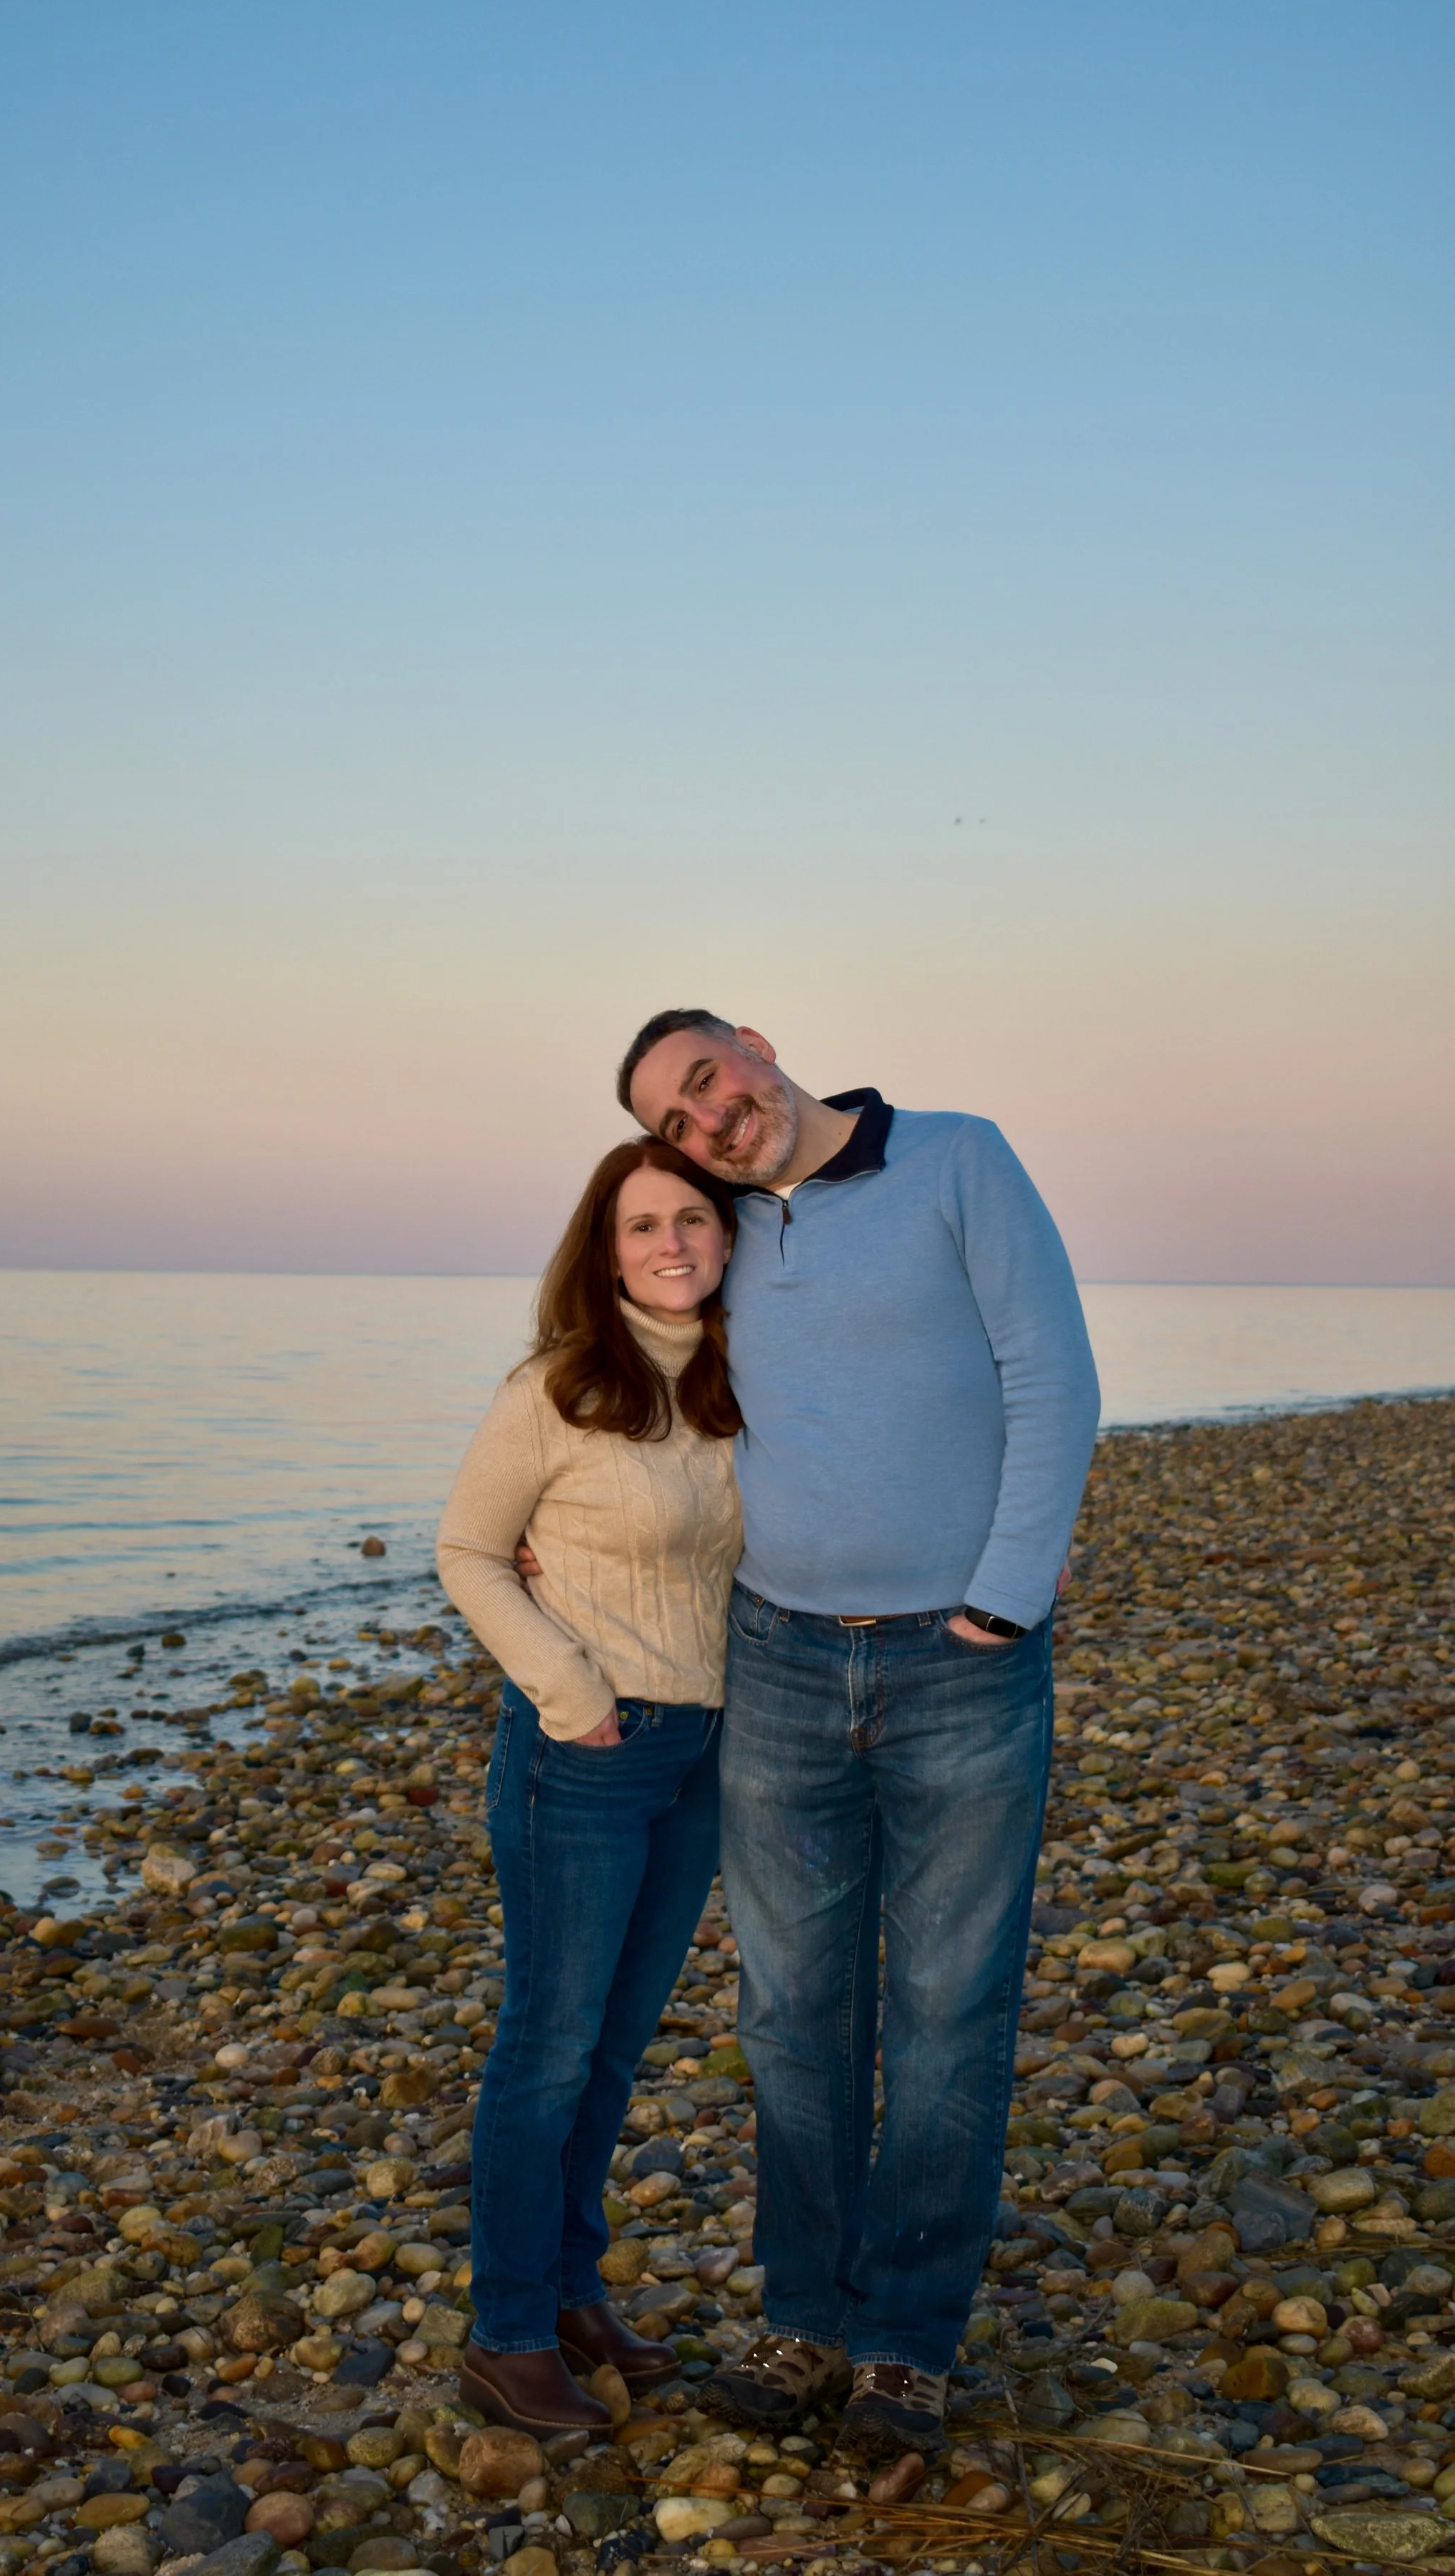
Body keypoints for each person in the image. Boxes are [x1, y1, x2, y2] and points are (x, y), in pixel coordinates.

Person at [618, 1011, 1101, 2467]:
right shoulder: (715, 1231)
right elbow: (625, 1375)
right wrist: (540, 1546)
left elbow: (1049, 1377)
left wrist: (1006, 1603)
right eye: (674, 1120)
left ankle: (905, 2341)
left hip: (959, 1659)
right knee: (789, 2014)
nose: (707, 1119)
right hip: (774, 1657)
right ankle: (803, 2316)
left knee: (949, 2012)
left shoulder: (956, 1160)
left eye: (707, 1078)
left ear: (756, 1047)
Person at [436, 1138, 744, 2433]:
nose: (671, 1242)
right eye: (641, 1226)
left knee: (615, 2048)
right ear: (603, 1249)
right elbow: (466, 1550)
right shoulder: (558, 1387)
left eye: (693, 1218)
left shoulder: (744, 1381)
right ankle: (505, 2333)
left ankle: (572, 2292)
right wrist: (570, 1690)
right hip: (588, 1756)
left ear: (730, 1237)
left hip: (709, 1754)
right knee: (549, 2047)